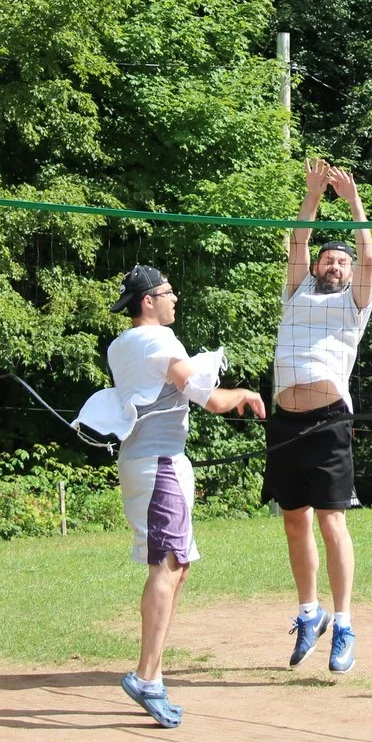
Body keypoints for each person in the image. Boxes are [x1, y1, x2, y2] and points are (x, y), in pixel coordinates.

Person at [75, 264, 265, 729]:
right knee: (168, 566)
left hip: (150, 462)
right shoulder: (158, 340)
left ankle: (154, 675)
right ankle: (146, 678)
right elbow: (201, 392)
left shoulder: (122, 344)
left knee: (176, 566)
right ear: (147, 301)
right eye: (168, 292)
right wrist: (241, 393)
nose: (174, 298)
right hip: (160, 465)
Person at [263, 157, 372, 674]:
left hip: (329, 419)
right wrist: (312, 194)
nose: (334, 265)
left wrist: (352, 203)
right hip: (285, 422)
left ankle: (345, 623)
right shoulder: (296, 291)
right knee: (293, 522)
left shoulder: (355, 304)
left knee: (332, 522)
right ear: (315, 268)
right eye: (328, 260)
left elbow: (368, 257)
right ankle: (310, 613)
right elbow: (296, 242)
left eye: (342, 262)